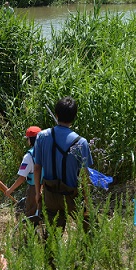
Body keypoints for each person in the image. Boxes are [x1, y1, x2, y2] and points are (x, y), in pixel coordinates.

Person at [34, 97, 93, 231]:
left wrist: (38, 193)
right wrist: (87, 201)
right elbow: (85, 176)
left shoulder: (42, 136)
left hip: (49, 194)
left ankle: (50, 252)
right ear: (74, 117)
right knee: (90, 231)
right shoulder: (81, 142)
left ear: (56, 114)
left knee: (52, 236)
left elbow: (37, 168)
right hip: (71, 196)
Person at [6, 126, 41, 218]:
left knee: (31, 214)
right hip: (48, 187)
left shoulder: (28, 156)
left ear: (30, 140)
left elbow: (22, 178)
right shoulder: (48, 151)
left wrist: (10, 190)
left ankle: (33, 231)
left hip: (34, 188)